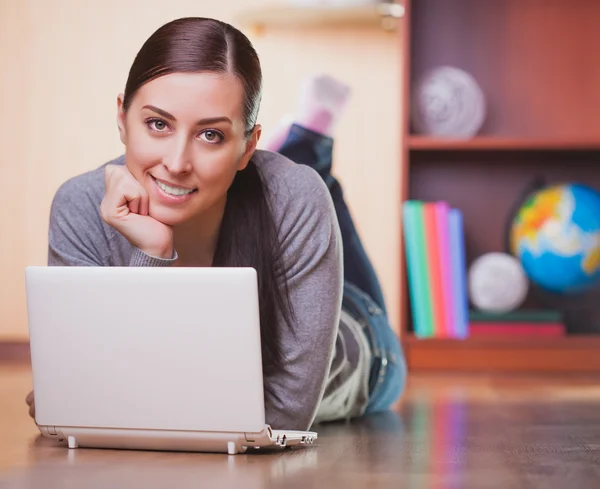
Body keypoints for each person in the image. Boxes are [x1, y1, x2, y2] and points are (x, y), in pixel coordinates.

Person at [25, 17, 406, 430]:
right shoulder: (80, 206)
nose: (175, 163)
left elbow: (284, 416)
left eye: (211, 135)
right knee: (297, 185)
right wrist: (152, 253)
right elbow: (84, 398)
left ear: (247, 147)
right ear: (122, 117)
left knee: (306, 189)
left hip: (362, 343)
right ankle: (307, 142)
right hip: (262, 212)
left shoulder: (295, 200)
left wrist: (105, 393)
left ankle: (307, 148)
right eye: (158, 124)